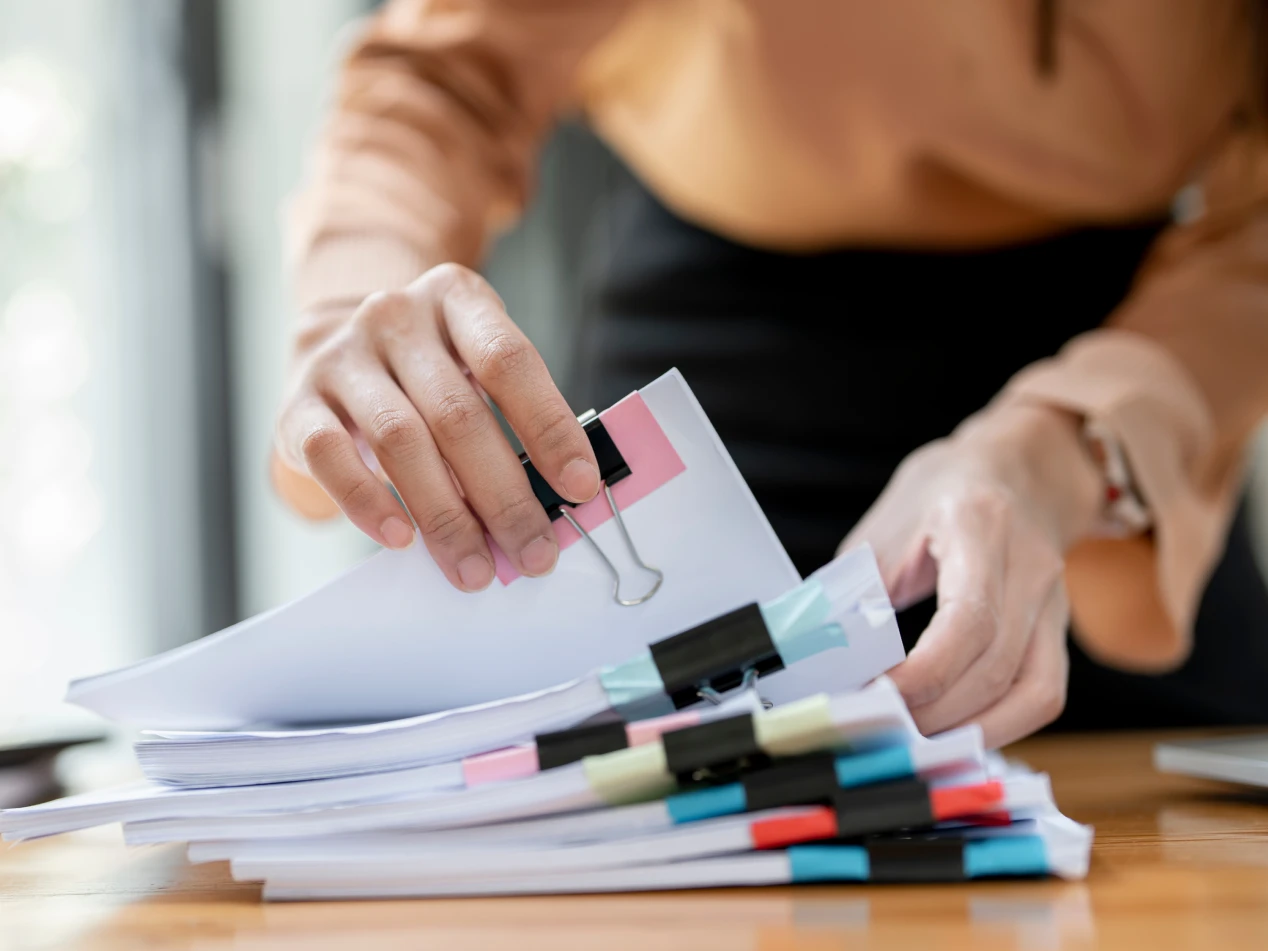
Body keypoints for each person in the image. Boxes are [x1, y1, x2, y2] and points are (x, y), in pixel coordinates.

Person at [270, 0, 1268, 748]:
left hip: (1122, 396)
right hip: (711, 372)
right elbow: (447, 77)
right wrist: (349, 302)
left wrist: (1065, 453)